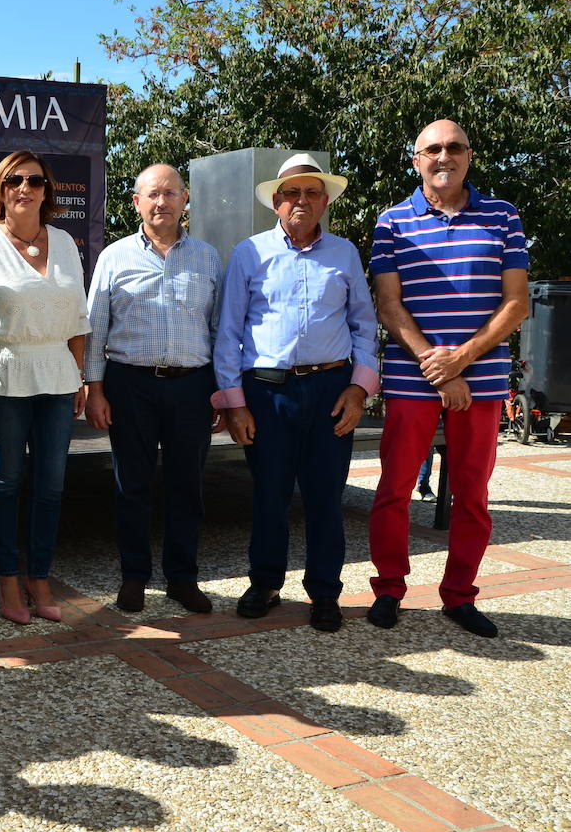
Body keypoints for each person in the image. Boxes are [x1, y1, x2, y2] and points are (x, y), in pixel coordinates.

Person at [367, 120, 529, 638]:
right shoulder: (392, 222)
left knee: (472, 493)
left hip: (480, 380)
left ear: (469, 155)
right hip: (412, 377)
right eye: (432, 148)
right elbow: (388, 305)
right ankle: (389, 589)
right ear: (416, 160)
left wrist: (461, 359)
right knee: (394, 488)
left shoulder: (503, 216)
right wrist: (436, 366)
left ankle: (459, 595)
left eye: (454, 147)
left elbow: (517, 303)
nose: (444, 156)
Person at [213, 153, 380, 633]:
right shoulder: (249, 253)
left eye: (311, 192)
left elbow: (364, 325)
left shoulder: (344, 253)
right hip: (268, 393)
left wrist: (359, 389)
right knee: (270, 494)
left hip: (331, 390)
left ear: (324, 202)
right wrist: (234, 403)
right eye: (291, 192)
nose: (300, 200)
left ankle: (325, 592)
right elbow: (228, 332)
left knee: (326, 497)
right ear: (276, 202)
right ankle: (265, 583)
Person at [84, 164, 223, 615]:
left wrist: (223, 391)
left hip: (192, 386)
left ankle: (182, 578)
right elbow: (95, 328)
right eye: (152, 194)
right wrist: (94, 389)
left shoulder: (208, 258)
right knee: (132, 485)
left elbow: (219, 328)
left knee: (188, 486)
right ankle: (134, 576)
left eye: (170, 193)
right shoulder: (114, 257)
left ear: (185, 200)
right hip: (130, 384)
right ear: (136, 203)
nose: (161, 202)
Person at [0, 151, 89, 624]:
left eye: (35, 181)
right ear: (0, 190)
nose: (25, 188)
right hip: (4, 374)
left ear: (46, 190)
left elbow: (77, 317)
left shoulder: (64, 242)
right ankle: (7, 579)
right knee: (5, 482)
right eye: (14, 180)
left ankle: (39, 577)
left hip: (58, 375)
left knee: (51, 486)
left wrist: (79, 375)